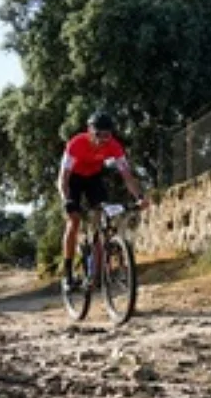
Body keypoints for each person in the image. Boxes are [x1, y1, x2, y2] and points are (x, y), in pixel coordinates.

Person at [57, 111, 147, 291]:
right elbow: (63, 178)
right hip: (73, 180)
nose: (103, 140)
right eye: (99, 135)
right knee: (73, 221)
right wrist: (66, 199)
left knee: (102, 216)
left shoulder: (114, 146)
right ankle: (67, 274)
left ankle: (95, 269)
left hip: (93, 178)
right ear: (90, 131)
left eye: (108, 135)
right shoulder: (76, 144)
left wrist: (140, 197)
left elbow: (127, 177)